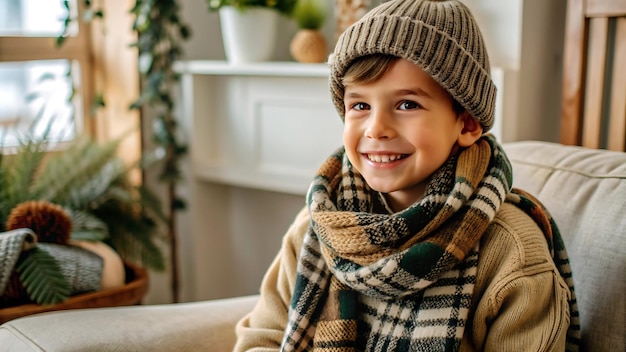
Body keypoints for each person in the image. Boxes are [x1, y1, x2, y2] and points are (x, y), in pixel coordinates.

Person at [234, 0, 580, 351]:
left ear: (467, 123)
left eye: (407, 105)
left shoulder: (512, 253)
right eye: (360, 105)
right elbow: (261, 339)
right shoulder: (317, 227)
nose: (376, 128)